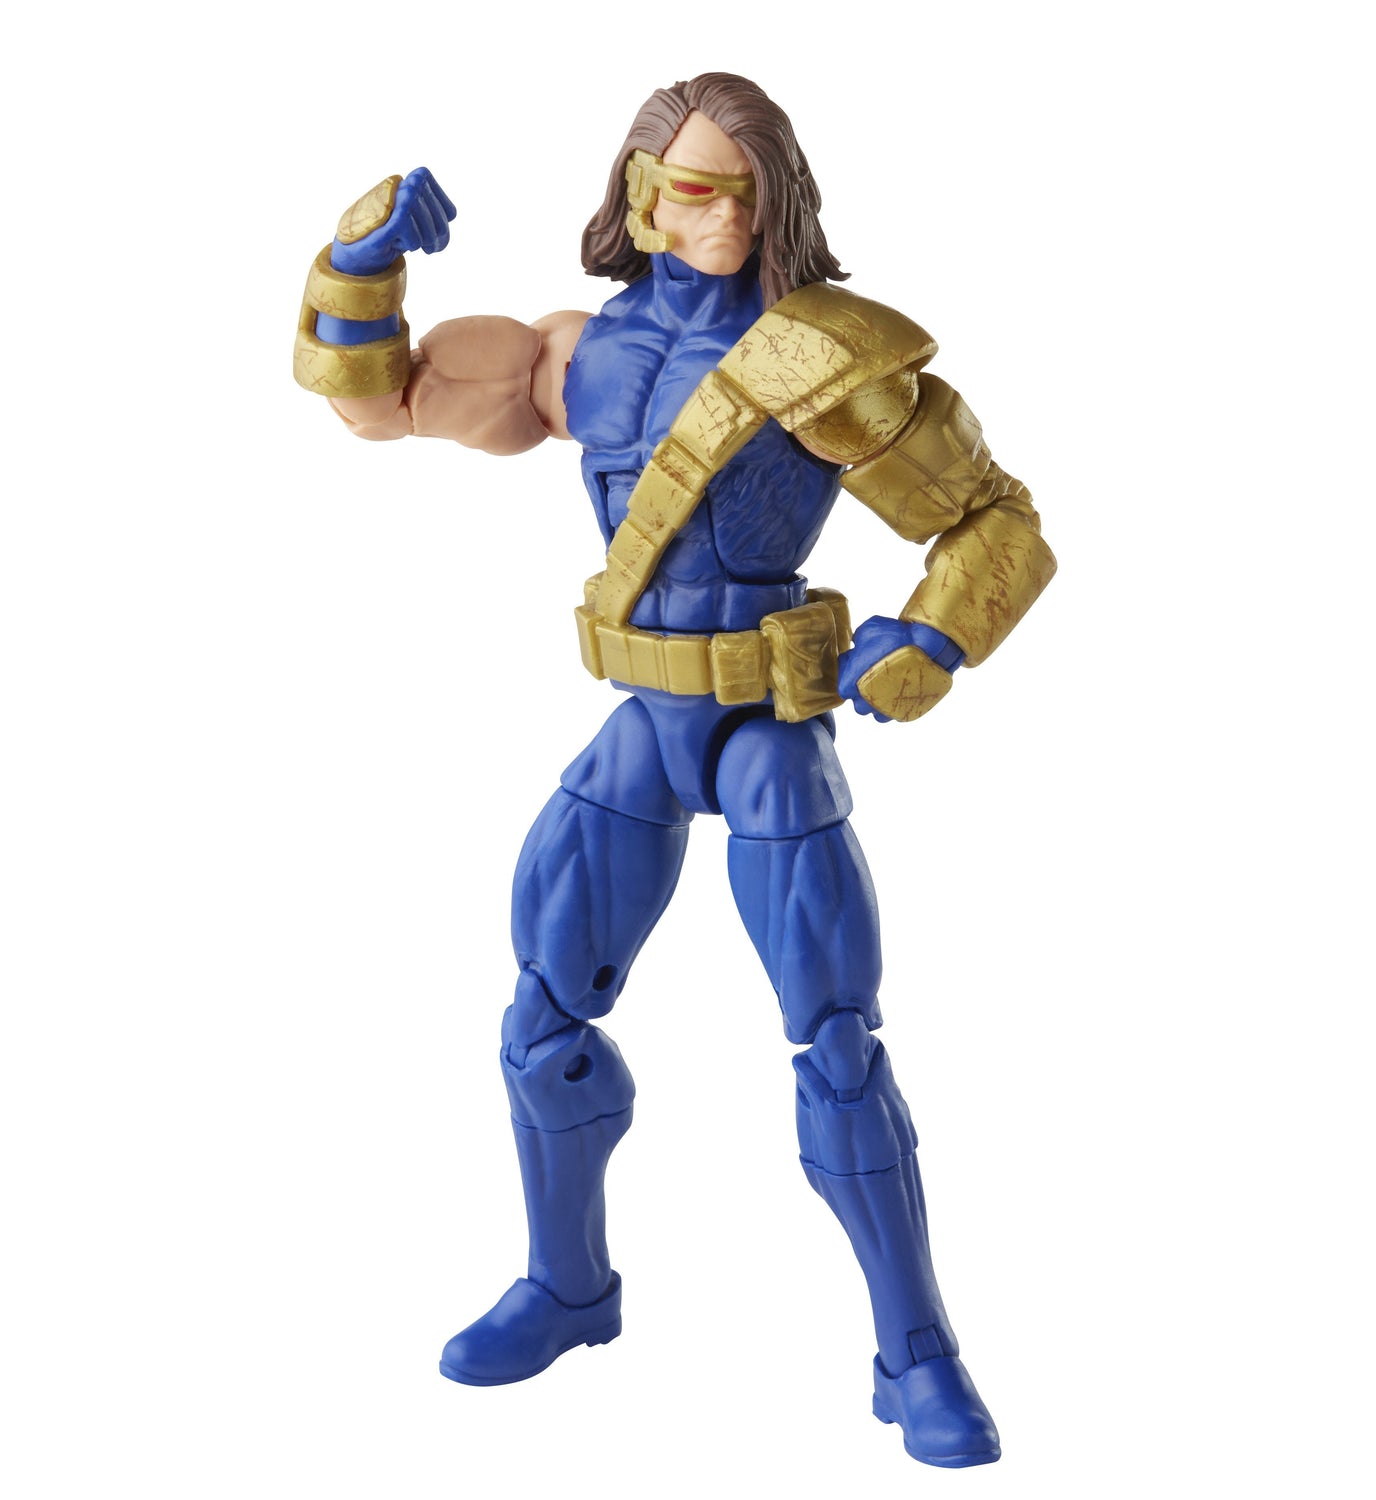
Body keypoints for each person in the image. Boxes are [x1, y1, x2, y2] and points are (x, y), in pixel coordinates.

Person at [293, 72, 1054, 1469]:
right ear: (638, 193)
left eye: (739, 192)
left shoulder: (821, 360)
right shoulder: (574, 352)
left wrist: (936, 639)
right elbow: (380, 401)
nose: (712, 217)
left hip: (768, 726)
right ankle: (568, 1287)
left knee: (837, 1048)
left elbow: (996, 521)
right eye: (687, 188)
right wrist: (358, 260)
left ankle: (917, 1356)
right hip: (641, 722)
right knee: (542, 1022)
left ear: (778, 199)